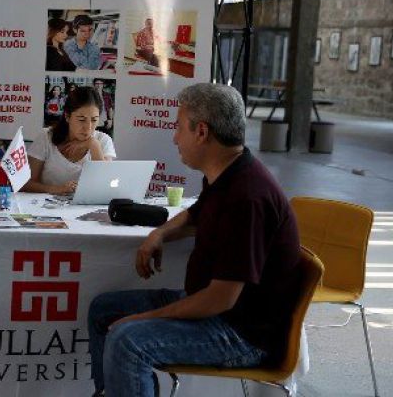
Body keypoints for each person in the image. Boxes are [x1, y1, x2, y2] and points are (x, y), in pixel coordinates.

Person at [87, 83, 302, 397]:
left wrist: (143, 319)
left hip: (240, 332)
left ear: (202, 132)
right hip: (217, 310)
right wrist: (160, 233)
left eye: (178, 127)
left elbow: (220, 298)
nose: (175, 137)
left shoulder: (248, 197)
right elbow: (197, 214)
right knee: (103, 309)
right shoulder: (227, 171)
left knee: (127, 339)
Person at [24, 86, 116, 195]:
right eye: (81, 120)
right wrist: (57, 189)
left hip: (87, 209)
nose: (88, 127)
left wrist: (93, 144)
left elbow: (107, 184)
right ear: (67, 116)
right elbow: (26, 184)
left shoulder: (103, 140)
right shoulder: (46, 136)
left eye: (94, 120)